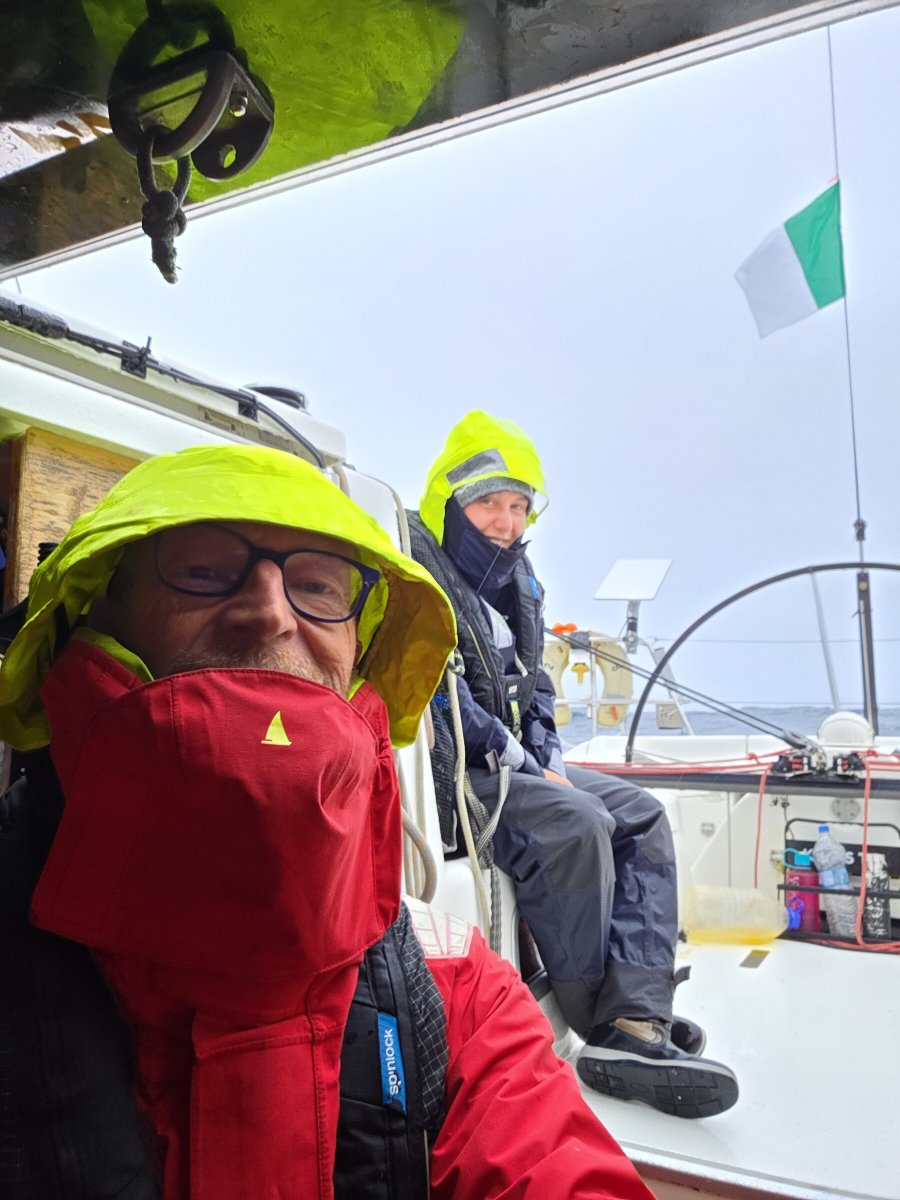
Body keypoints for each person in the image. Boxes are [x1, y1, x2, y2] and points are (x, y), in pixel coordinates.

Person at [0, 443, 656, 1199]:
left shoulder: (455, 986)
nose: (270, 612)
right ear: (96, 624)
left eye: (316, 585)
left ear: (358, 657)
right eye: (204, 572)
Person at [408, 411, 739, 1119]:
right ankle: (600, 1024)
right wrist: (529, 761)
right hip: (462, 772)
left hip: (521, 762)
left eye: (518, 505)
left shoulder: (519, 580)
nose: (504, 520)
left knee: (641, 814)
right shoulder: (420, 571)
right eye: (487, 503)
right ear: (451, 504)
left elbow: (540, 684)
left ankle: (640, 1015)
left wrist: (550, 750)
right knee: (578, 821)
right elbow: (448, 699)